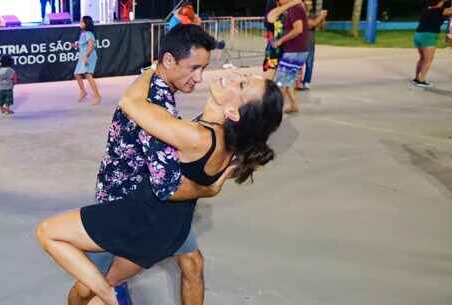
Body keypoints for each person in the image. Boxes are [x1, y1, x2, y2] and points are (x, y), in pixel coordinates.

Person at [37, 65, 284, 305]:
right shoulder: (231, 143)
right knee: (86, 287)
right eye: (244, 75)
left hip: (141, 219)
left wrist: (152, 70)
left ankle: (108, 296)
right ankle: (104, 293)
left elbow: (131, 103)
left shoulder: (196, 138)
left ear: (233, 112)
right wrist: (207, 190)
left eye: (241, 84)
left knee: (49, 233)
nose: (232, 76)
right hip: (167, 230)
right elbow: (205, 179)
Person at [68, 25, 224, 305]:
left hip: (148, 198)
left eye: (204, 68)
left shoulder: (152, 82)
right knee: (93, 283)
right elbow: (168, 187)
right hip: (124, 203)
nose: (199, 78)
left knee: (192, 263)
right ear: (168, 60)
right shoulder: (156, 106)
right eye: (193, 68)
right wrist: (210, 189)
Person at [271, 0, 309, 113]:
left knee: (281, 81)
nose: (278, 2)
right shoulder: (296, 7)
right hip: (298, 49)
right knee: (288, 80)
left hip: (294, 50)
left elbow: (298, 29)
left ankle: (276, 110)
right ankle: (294, 105)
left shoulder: (294, 8)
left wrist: (281, 41)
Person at [413, 0, 452, 88]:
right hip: (428, 35)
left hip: (418, 34)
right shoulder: (440, 10)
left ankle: (417, 78)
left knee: (422, 58)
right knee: (428, 60)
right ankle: (422, 80)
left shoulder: (427, 9)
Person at [298, 0, 327, 91]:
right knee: (299, 64)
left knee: (309, 63)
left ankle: (306, 82)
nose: (308, 6)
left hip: (310, 43)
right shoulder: (300, 15)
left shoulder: (313, 15)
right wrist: (321, 16)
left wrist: (323, 19)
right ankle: (297, 82)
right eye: (306, 4)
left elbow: (321, 27)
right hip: (299, 43)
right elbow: (310, 25)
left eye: (310, 5)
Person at [74, 16, 101, 104]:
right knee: (77, 74)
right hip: (83, 56)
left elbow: (91, 45)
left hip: (89, 56)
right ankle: (83, 91)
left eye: (82, 21)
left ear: (86, 24)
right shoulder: (83, 33)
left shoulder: (89, 33)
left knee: (88, 75)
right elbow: (82, 45)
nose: (80, 23)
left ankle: (97, 96)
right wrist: (75, 46)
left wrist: (86, 56)